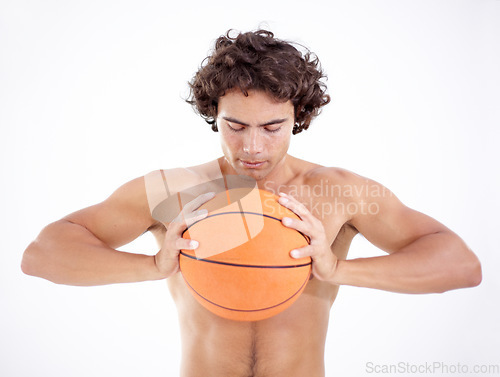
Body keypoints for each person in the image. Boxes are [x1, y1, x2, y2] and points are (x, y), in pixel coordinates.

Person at [21, 29, 482, 377]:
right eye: (235, 126)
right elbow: (42, 255)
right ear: (213, 116)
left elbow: (461, 265)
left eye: (272, 127)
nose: (253, 147)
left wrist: (339, 270)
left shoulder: (338, 191)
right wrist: (153, 264)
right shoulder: (171, 191)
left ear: (298, 116)